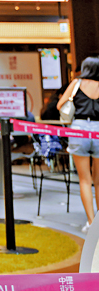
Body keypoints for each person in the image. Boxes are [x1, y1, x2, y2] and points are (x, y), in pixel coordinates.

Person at [58, 56, 99, 233]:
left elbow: (60, 105)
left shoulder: (76, 83)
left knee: (84, 179)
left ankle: (91, 222)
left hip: (79, 130)